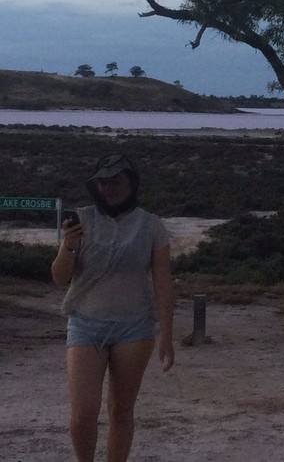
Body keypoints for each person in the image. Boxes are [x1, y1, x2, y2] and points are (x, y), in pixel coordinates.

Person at [51, 153, 174, 462]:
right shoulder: (83, 219)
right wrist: (68, 246)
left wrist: (167, 335)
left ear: (132, 183)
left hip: (135, 327)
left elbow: (162, 282)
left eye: (116, 181)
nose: (109, 188)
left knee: (120, 410)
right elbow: (59, 278)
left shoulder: (151, 225)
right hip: (85, 323)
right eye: (103, 183)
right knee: (84, 413)